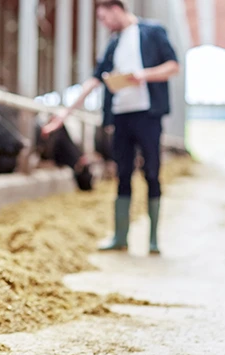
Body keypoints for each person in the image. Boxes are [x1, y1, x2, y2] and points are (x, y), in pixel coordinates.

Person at [42, 0, 179, 254]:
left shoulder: (153, 31)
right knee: (122, 173)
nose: (103, 23)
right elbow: (94, 81)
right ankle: (120, 237)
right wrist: (64, 113)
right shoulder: (114, 43)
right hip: (121, 116)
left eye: (104, 18)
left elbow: (173, 66)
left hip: (148, 115)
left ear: (117, 10)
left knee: (151, 171)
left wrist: (143, 75)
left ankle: (153, 240)